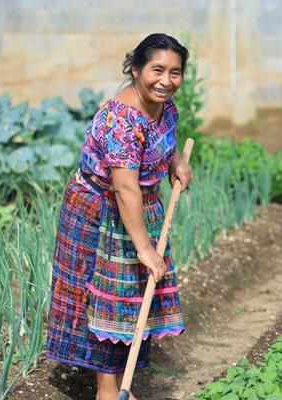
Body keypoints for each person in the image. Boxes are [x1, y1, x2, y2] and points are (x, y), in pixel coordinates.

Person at [45, 33, 193, 400]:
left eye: (175, 73)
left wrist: (176, 163)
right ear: (136, 68)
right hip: (100, 212)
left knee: (133, 299)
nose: (166, 80)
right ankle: (107, 391)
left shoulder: (165, 106)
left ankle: (121, 381)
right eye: (157, 70)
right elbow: (125, 187)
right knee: (105, 299)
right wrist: (145, 249)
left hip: (139, 207)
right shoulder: (121, 121)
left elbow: (165, 138)